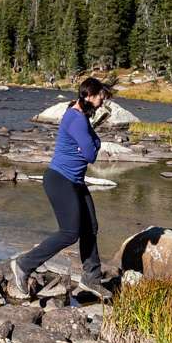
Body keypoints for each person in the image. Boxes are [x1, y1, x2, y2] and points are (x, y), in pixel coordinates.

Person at [11, 76, 112, 300]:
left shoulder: (78, 115)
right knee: (69, 233)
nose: (101, 104)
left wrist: (88, 141)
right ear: (87, 96)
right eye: (100, 99)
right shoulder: (76, 120)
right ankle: (23, 265)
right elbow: (91, 155)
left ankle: (91, 278)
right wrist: (95, 141)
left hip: (74, 181)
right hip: (60, 180)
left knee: (90, 227)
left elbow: (84, 150)